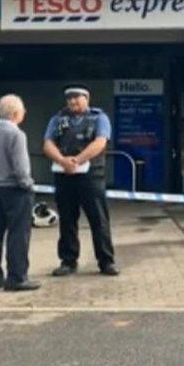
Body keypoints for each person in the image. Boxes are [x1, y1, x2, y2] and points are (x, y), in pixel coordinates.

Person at [42, 85, 119, 277]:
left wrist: (77, 160)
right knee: (67, 220)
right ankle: (68, 261)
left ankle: (106, 261)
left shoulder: (99, 118)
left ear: (87, 99)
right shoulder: (57, 119)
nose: (72, 102)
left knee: (98, 219)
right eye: (69, 99)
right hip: (64, 175)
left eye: (77, 98)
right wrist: (62, 160)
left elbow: (100, 142)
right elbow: (48, 143)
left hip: (90, 176)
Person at [0, 94, 40, 291]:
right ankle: (17, 277)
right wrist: (28, 185)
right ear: (16, 113)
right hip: (15, 191)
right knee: (18, 235)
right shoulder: (17, 135)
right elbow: (21, 168)